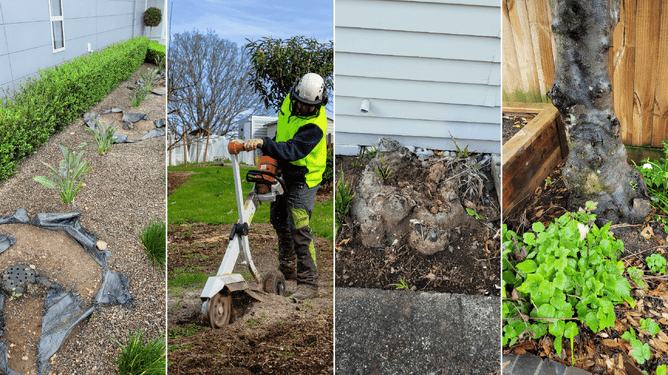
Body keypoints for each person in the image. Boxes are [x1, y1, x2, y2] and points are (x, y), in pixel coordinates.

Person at [243, 72, 328, 300]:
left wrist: (264, 143)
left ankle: (309, 283)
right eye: (300, 103)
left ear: (320, 103)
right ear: (294, 96)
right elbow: (283, 133)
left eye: (309, 107)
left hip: (304, 177)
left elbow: (292, 150)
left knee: (299, 228)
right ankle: (288, 268)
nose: (303, 109)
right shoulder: (288, 103)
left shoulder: (316, 125)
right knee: (278, 218)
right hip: (285, 171)